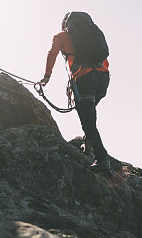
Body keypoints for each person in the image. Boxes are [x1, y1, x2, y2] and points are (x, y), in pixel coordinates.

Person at [39, 12, 111, 172]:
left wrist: (46, 76)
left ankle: (102, 159)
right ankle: (90, 142)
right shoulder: (94, 34)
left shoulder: (62, 35)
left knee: (87, 120)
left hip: (85, 78)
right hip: (103, 78)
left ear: (65, 23)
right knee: (89, 112)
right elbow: (104, 58)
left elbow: (52, 54)